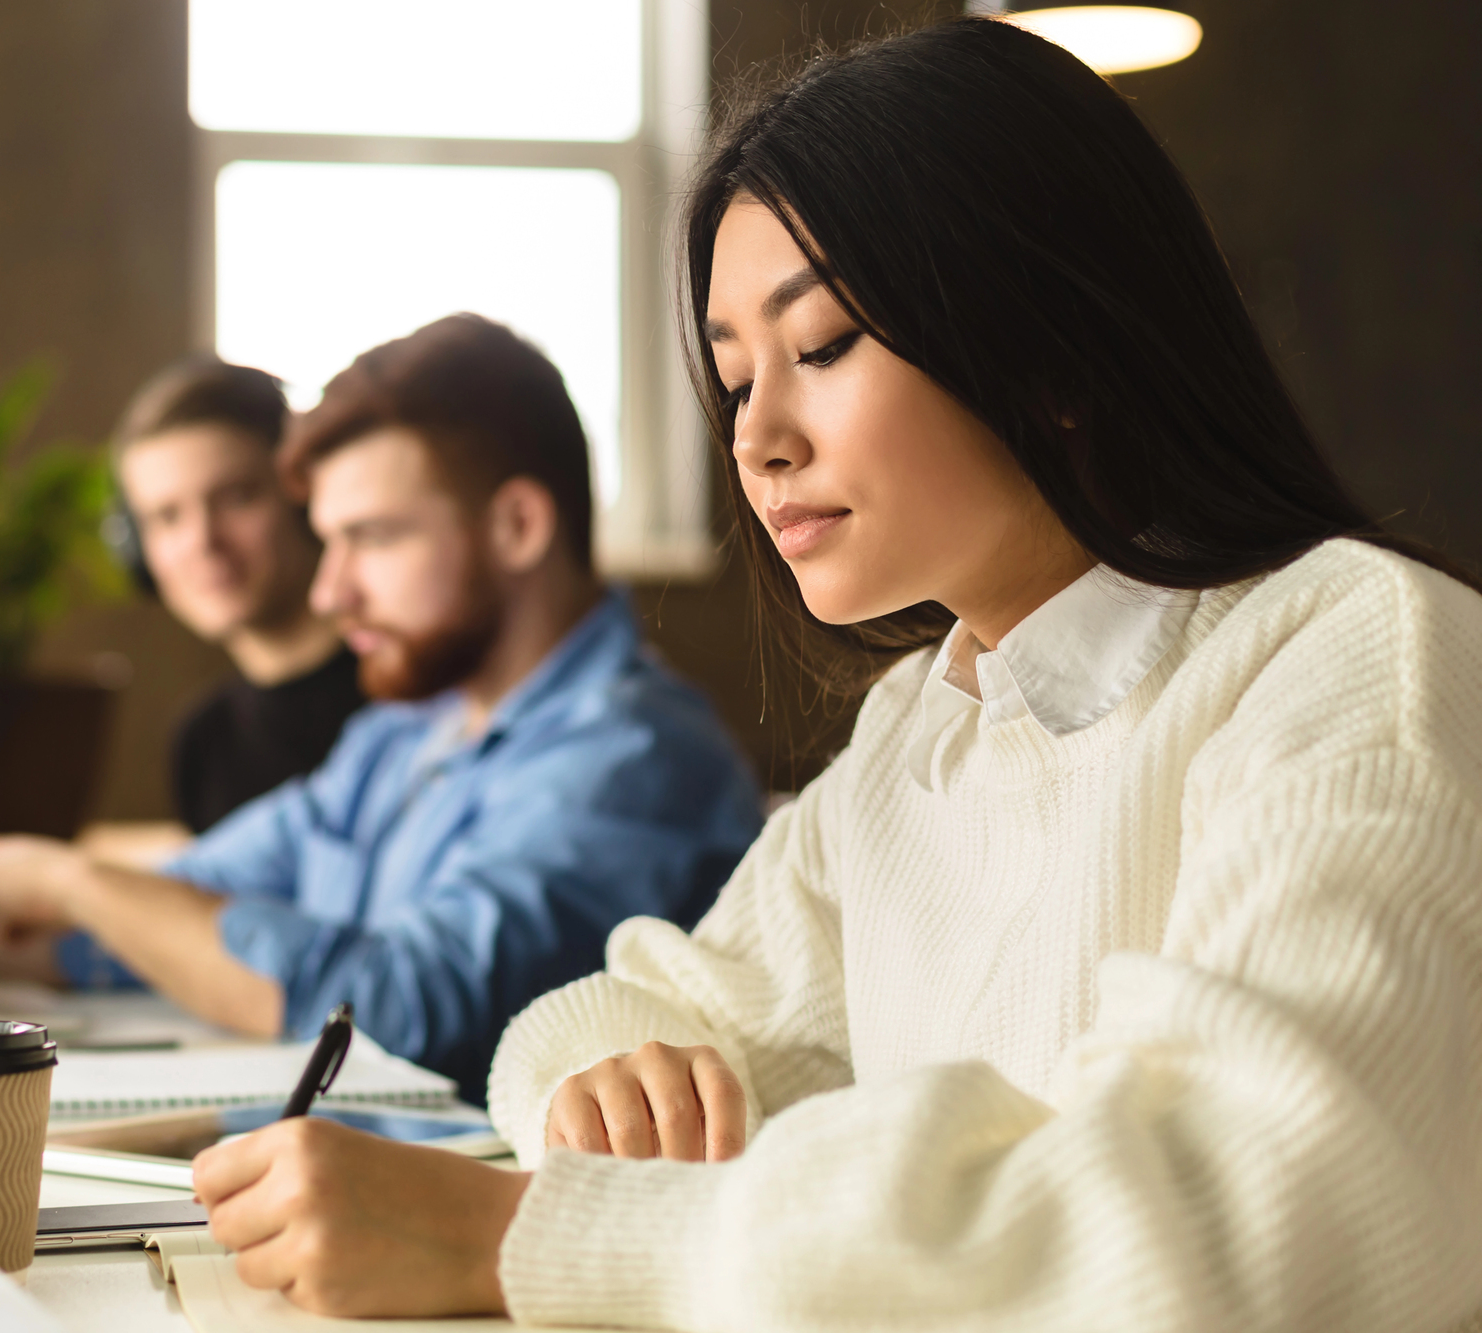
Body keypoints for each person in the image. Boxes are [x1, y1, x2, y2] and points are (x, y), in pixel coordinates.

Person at [182, 19, 1482, 1331]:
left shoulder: (1362, 662)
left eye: (826, 344)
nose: (758, 438)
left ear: (1052, 341)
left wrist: (538, 1233)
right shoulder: (924, 726)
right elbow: (631, 1010)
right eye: (737, 375)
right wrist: (606, 1080)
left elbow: (1218, 1222)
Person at [0, 314, 764, 1101]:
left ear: (519, 525)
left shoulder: (627, 758)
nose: (328, 589)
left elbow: (388, 1014)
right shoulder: (399, 736)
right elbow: (178, 905)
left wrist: (70, 876)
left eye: (374, 538)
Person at [106, 355, 363, 835]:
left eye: (236, 497)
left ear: (307, 501)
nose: (203, 542)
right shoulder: (203, 741)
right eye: (167, 518)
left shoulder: (409, 693)